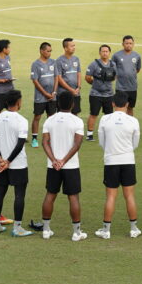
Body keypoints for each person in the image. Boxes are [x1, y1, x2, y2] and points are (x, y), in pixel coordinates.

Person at [40, 91, 87, 241]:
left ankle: (46, 230)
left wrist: (54, 160)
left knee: (50, 195)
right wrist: (64, 161)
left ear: (58, 104)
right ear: (72, 104)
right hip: (71, 166)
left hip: (53, 166)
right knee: (73, 197)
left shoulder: (49, 120)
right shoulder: (77, 121)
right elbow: (77, 144)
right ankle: (76, 232)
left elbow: (45, 142)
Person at [96, 91, 141, 239]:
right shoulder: (133, 121)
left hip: (111, 161)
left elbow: (102, 141)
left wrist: (110, 151)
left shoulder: (105, 119)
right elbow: (135, 143)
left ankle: (106, 230)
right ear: (127, 104)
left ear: (113, 104)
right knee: (129, 196)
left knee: (110, 197)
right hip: (128, 160)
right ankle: (134, 229)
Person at [0, 90, 32, 237]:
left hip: (2, 164)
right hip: (18, 164)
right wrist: (8, 161)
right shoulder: (22, 120)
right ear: (18, 102)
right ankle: (17, 228)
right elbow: (20, 144)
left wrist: (0, 159)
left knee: (0, 193)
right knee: (19, 195)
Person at [85, 44, 117, 142]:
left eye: (106, 51)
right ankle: (89, 134)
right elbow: (87, 77)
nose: (105, 53)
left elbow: (115, 76)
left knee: (109, 115)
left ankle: (108, 133)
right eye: (103, 51)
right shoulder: (94, 64)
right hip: (96, 94)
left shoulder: (113, 64)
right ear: (100, 53)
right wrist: (95, 84)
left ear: (109, 53)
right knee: (94, 114)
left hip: (109, 94)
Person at [31, 42, 58, 148]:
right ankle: (34, 139)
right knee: (37, 116)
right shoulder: (35, 64)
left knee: (51, 117)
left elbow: (56, 77)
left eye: (51, 51)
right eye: (48, 51)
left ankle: (49, 138)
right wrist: (45, 93)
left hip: (52, 95)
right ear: (41, 51)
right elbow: (35, 81)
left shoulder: (53, 62)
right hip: (40, 96)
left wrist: (54, 92)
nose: (49, 53)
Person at [113, 35, 142, 117]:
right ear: (123, 44)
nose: (128, 45)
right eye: (127, 43)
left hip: (132, 87)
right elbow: (112, 69)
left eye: (130, 43)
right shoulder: (116, 55)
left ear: (133, 44)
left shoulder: (137, 56)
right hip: (120, 87)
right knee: (119, 108)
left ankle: (130, 126)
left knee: (130, 108)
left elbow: (137, 69)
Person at [56, 38, 83, 118]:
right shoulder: (59, 61)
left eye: (74, 45)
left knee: (75, 114)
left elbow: (78, 73)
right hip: (63, 93)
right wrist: (71, 90)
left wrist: (78, 87)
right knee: (62, 115)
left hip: (76, 92)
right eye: (71, 46)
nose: (74, 47)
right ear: (65, 48)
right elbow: (59, 78)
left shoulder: (76, 59)